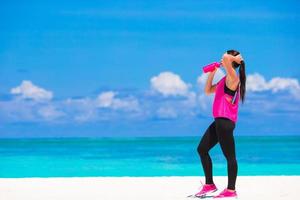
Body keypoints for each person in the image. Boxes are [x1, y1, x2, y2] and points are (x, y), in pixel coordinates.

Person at [195, 50, 246, 199]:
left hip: (225, 122)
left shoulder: (233, 78)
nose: (222, 59)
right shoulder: (225, 80)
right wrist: (213, 72)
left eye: (226, 58)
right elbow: (208, 90)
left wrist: (234, 58)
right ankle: (209, 185)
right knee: (202, 149)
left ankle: (231, 190)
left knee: (230, 157)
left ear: (231, 62)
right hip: (218, 121)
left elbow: (225, 57)